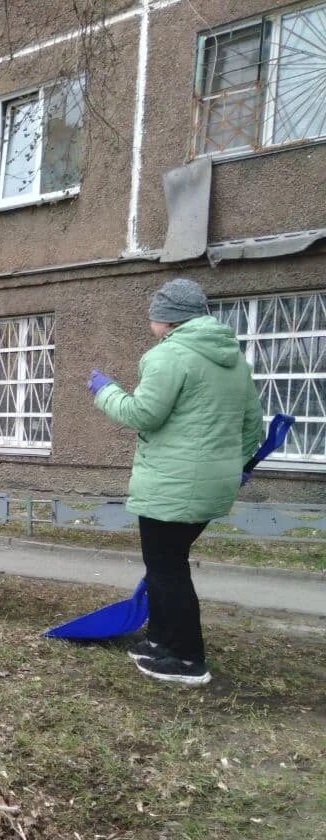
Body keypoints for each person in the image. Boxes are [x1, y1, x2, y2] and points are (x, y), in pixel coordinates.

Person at [89, 278, 263, 687]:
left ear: (165, 318)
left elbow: (143, 414)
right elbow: (252, 426)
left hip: (173, 484)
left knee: (167, 570)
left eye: (153, 314)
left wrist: (105, 391)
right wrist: (237, 464)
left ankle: (187, 659)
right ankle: (161, 641)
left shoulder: (168, 356)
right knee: (165, 565)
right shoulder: (233, 360)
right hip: (212, 485)